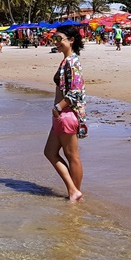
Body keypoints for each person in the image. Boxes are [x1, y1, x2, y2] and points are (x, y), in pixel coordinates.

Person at [44, 24, 86, 203]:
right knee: (49, 152)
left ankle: (74, 192)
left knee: (72, 156)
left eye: (59, 39)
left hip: (66, 114)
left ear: (71, 40)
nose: (56, 42)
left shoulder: (72, 62)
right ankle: (73, 190)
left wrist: (58, 108)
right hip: (62, 115)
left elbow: (75, 91)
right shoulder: (67, 61)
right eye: (55, 39)